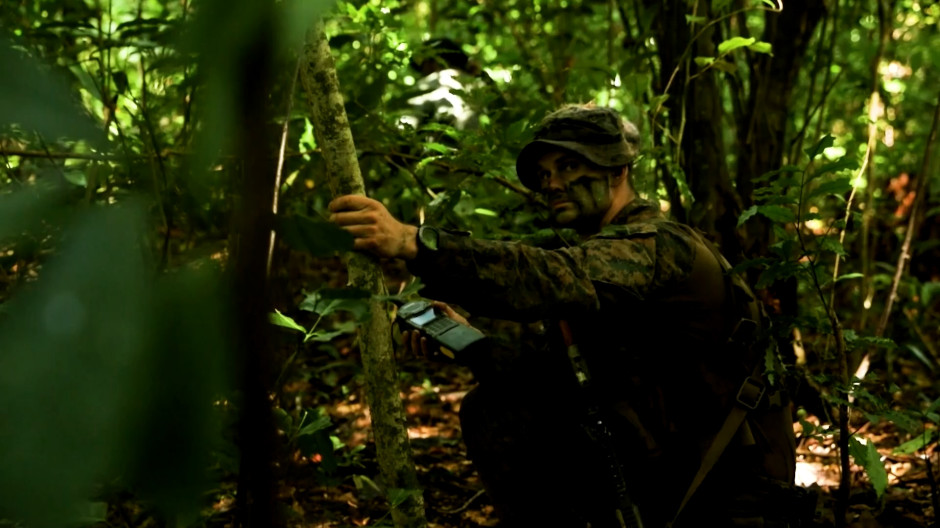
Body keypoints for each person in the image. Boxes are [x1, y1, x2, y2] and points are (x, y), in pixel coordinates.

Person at [328, 104, 805, 527]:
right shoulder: (605, 255)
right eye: (544, 173)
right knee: (497, 405)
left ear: (617, 169)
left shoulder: (656, 244)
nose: (551, 182)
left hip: (728, 485)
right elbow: (554, 376)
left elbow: (546, 275)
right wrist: (468, 340)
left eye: (569, 165)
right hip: (665, 463)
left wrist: (414, 243)